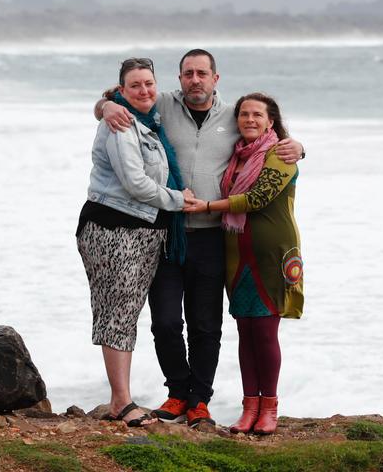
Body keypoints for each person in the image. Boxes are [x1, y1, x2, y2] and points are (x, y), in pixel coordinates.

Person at [95, 49, 304, 427]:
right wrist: (105, 106)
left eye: (202, 73)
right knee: (166, 322)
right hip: (166, 234)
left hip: (213, 237)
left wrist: (301, 147)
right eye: (188, 73)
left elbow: (266, 141)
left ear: (215, 78)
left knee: (206, 325)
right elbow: (125, 95)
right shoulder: (161, 104)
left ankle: (200, 401)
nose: (195, 79)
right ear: (179, 78)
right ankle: (177, 393)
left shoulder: (233, 116)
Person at [77, 57, 194, 427]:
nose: (144, 91)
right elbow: (134, 183)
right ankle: (122, 402)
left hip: (143, 232)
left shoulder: (148, 118)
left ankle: (121, 399)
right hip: (113, 228)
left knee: (125, 312)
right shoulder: (120, 125)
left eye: (149, 84)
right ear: (122, 91)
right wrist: (180, 200)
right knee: (117, 311)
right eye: (135, 86)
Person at [184, 92, 303, 435]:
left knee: (265, 333)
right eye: (243, 115)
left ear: (271, 121)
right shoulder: (236, 158)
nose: (249, 120)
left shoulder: (281, 154)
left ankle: (270, 408)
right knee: (245, 333)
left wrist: (208, 207)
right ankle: (249, 407)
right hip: (236, 254)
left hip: (271, 254)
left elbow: (257, 198)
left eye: (257, 115)